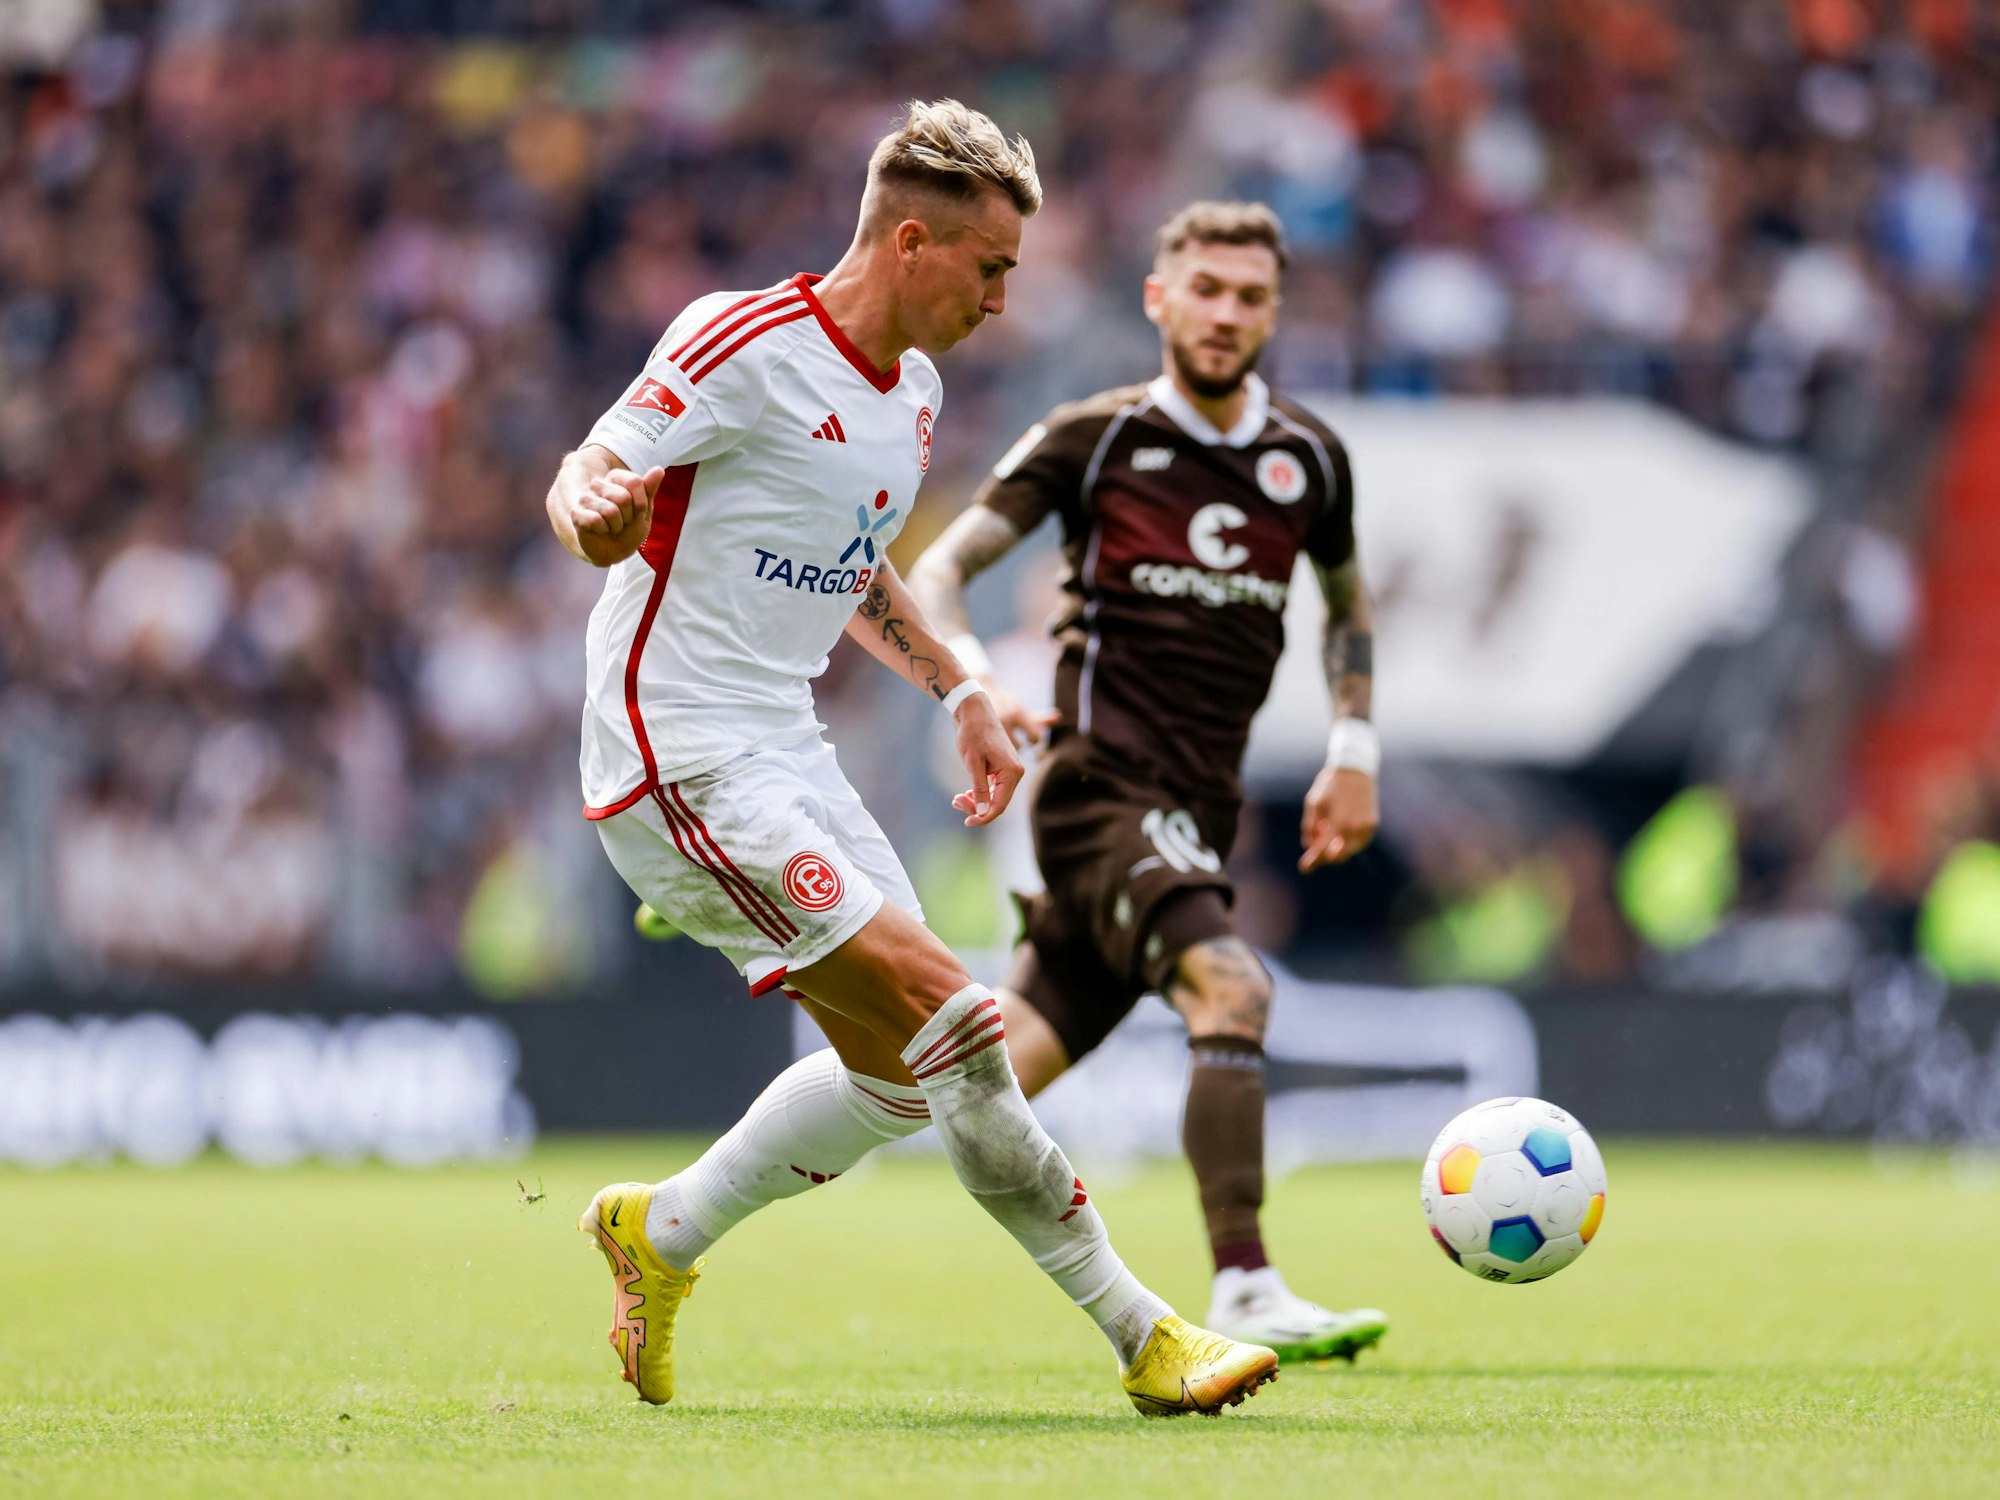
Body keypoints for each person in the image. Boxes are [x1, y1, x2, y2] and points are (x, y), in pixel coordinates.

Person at [542, 103, 1279, 1417]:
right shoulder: (741, 340)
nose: (1002, 299)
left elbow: (855, 561)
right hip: (677, 758)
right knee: (961, 1024)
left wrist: (961, 683)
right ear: (909, 240)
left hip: (784, 746)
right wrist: (593, 511)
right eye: (989, 269)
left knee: (894, 1081)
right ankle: (1143, 1333)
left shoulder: (917, 394)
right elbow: (595, 475)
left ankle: (658, 1235)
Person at [907, 200, 1388, 1363]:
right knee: (1232, 990)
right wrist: (970, 678)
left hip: (1195, 809)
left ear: (1275, 310)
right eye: (1206, 290)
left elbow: (1347, 612)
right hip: (1096, 794)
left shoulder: (1309, 458)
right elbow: (937, 571)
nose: (1226, 315)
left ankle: (681, 1213)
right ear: (1157, 298)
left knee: (969, 1074)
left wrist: (1351, 750)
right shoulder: (1096, 438)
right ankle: (1245, 1286)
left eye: (1250, 296)